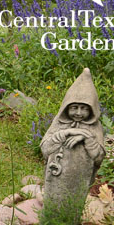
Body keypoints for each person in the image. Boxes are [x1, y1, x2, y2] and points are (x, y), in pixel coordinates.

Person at [40, 68, 105, 208]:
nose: (79, 113)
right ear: (66, 107)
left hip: (80, 177)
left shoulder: (94, 127)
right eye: (74, 107)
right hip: (56, 175)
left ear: (92, 109)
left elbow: (98, 157)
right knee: (53, 205)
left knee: (73, 206)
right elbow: (45, 149)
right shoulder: (59, 123)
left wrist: (86, 137)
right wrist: (66, 132)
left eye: (84, 108)